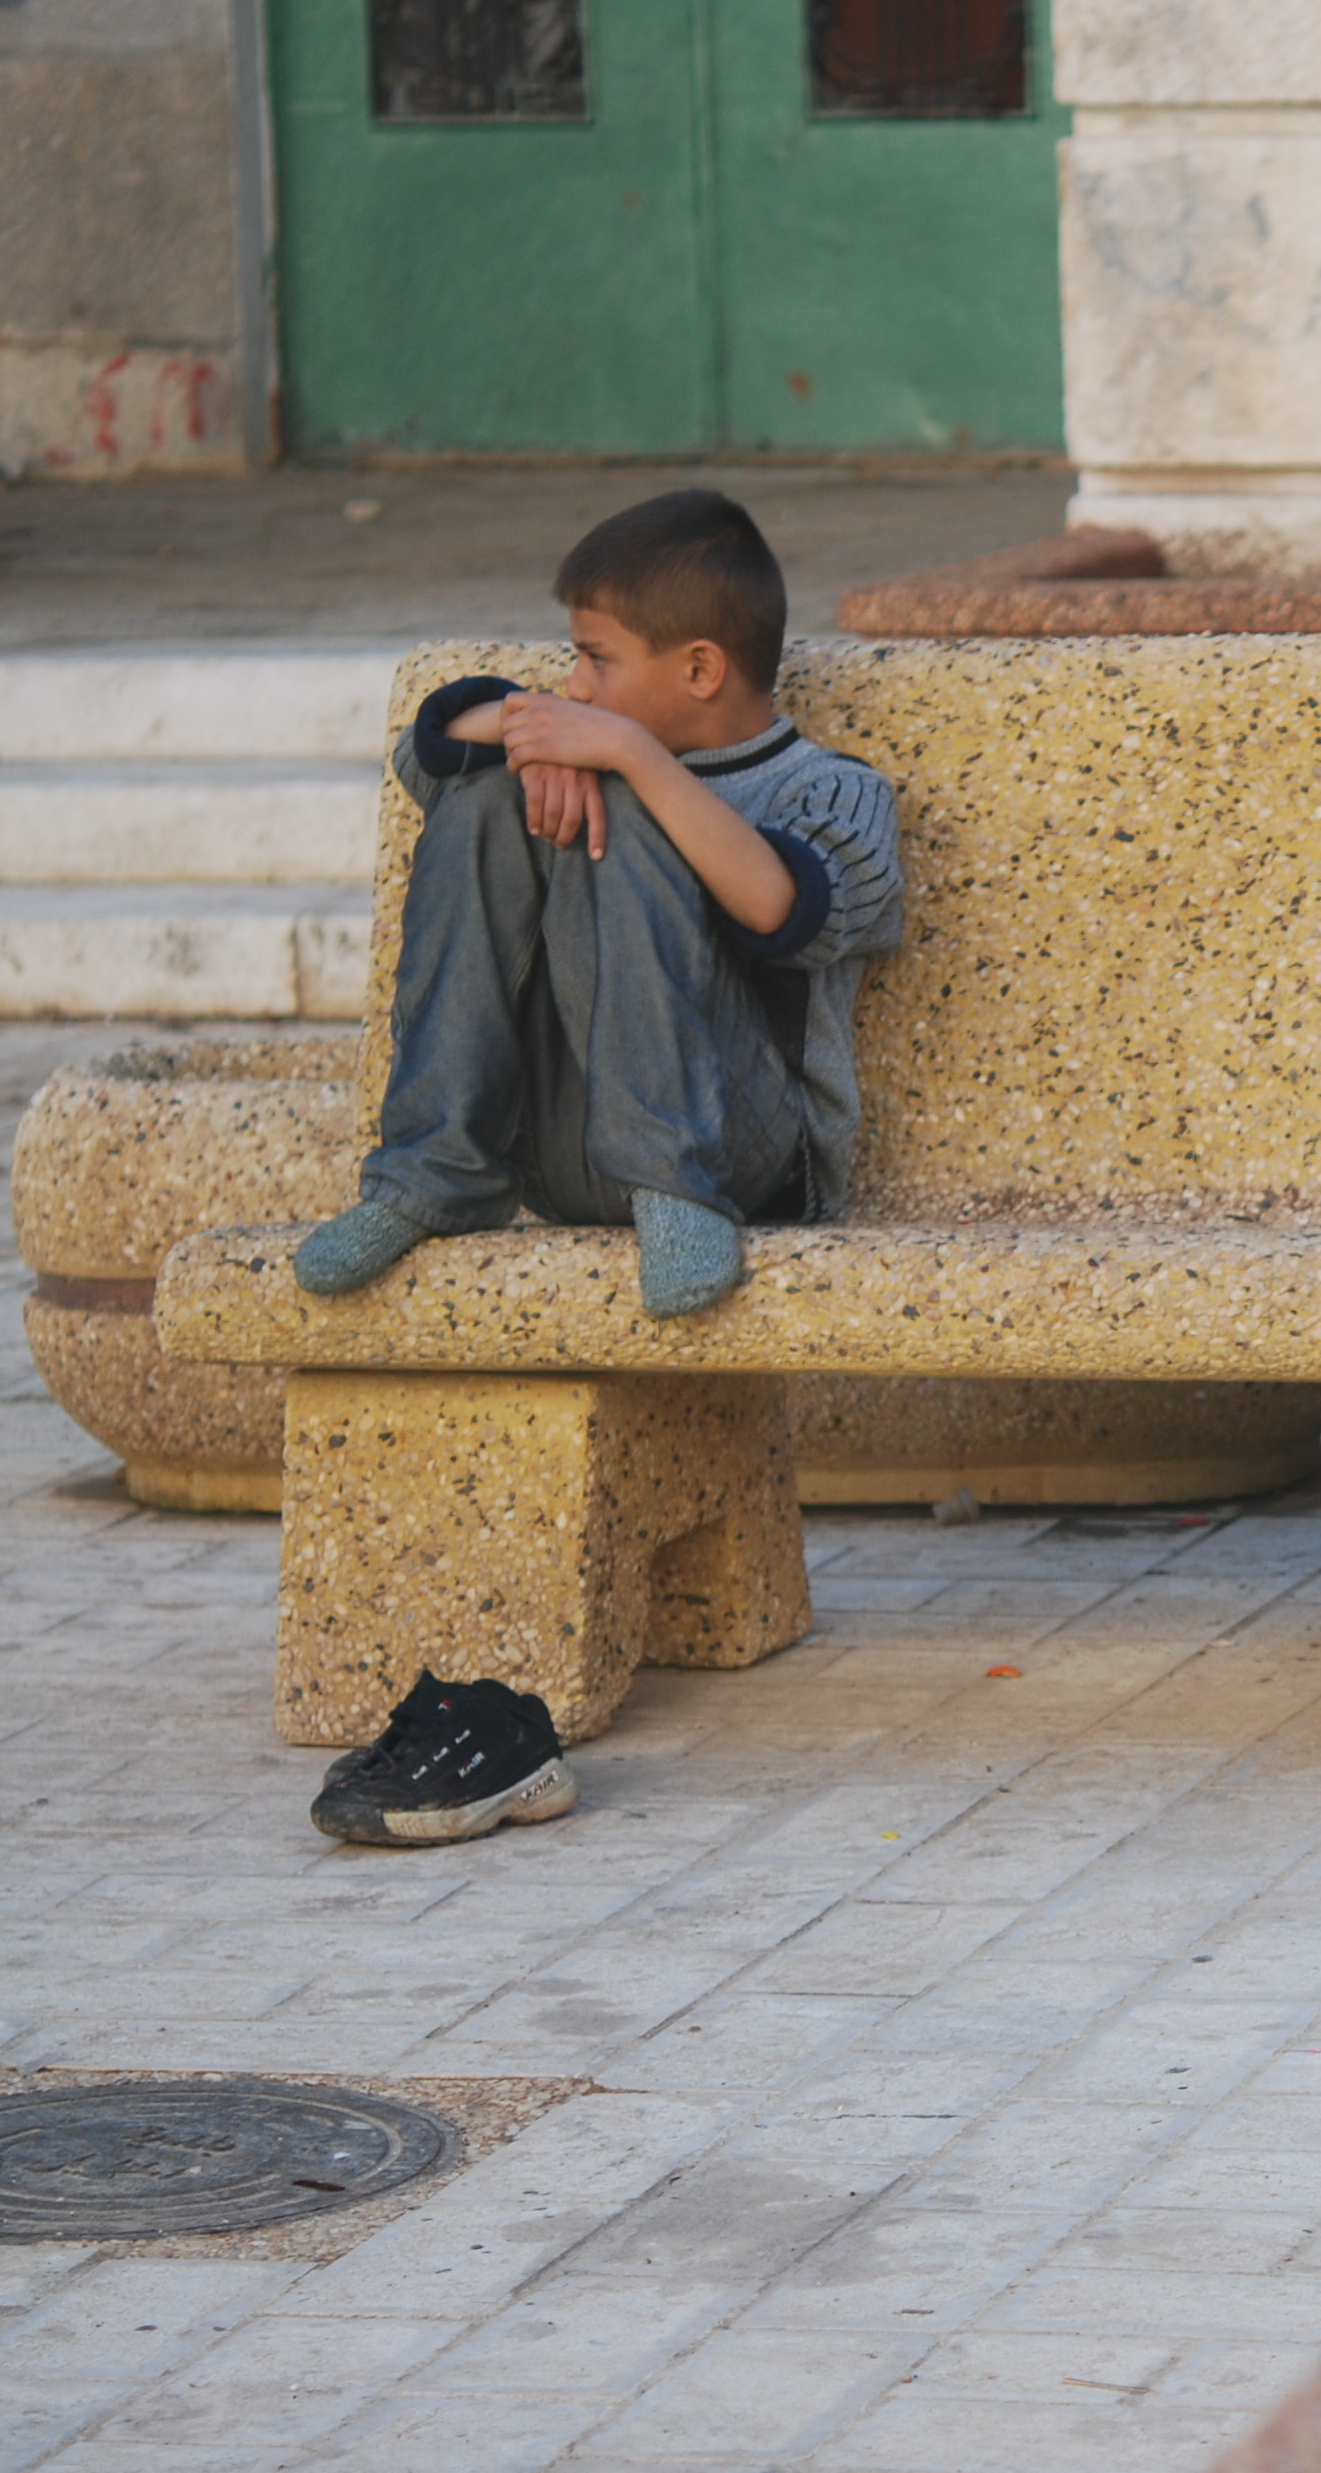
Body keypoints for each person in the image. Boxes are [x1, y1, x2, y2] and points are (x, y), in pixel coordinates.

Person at [291, 488, 903, 1847]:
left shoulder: (832, 792)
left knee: (630, 821)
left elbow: (784, 908)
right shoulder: (585, 731)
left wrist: (630, 762)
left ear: (701, 670)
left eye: (596, 662)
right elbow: (435, 730)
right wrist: (540, 741)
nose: (572, 684)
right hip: (573, 1158)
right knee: (478, 805)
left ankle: (667, 1183)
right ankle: (431, 1174)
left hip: (737, 1164)